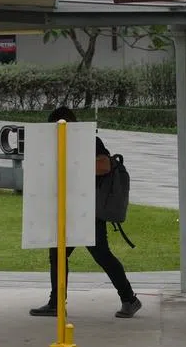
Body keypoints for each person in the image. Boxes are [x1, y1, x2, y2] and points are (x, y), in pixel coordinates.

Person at [30, 107, 141, 319]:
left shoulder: (90, 141)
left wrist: (70, 164)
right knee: (58, 253)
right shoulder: (59, 144)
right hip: (70, 207)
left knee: (101, 254)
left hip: (88, 209)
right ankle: (56, 303)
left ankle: (129, 298)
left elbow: (104, 166)